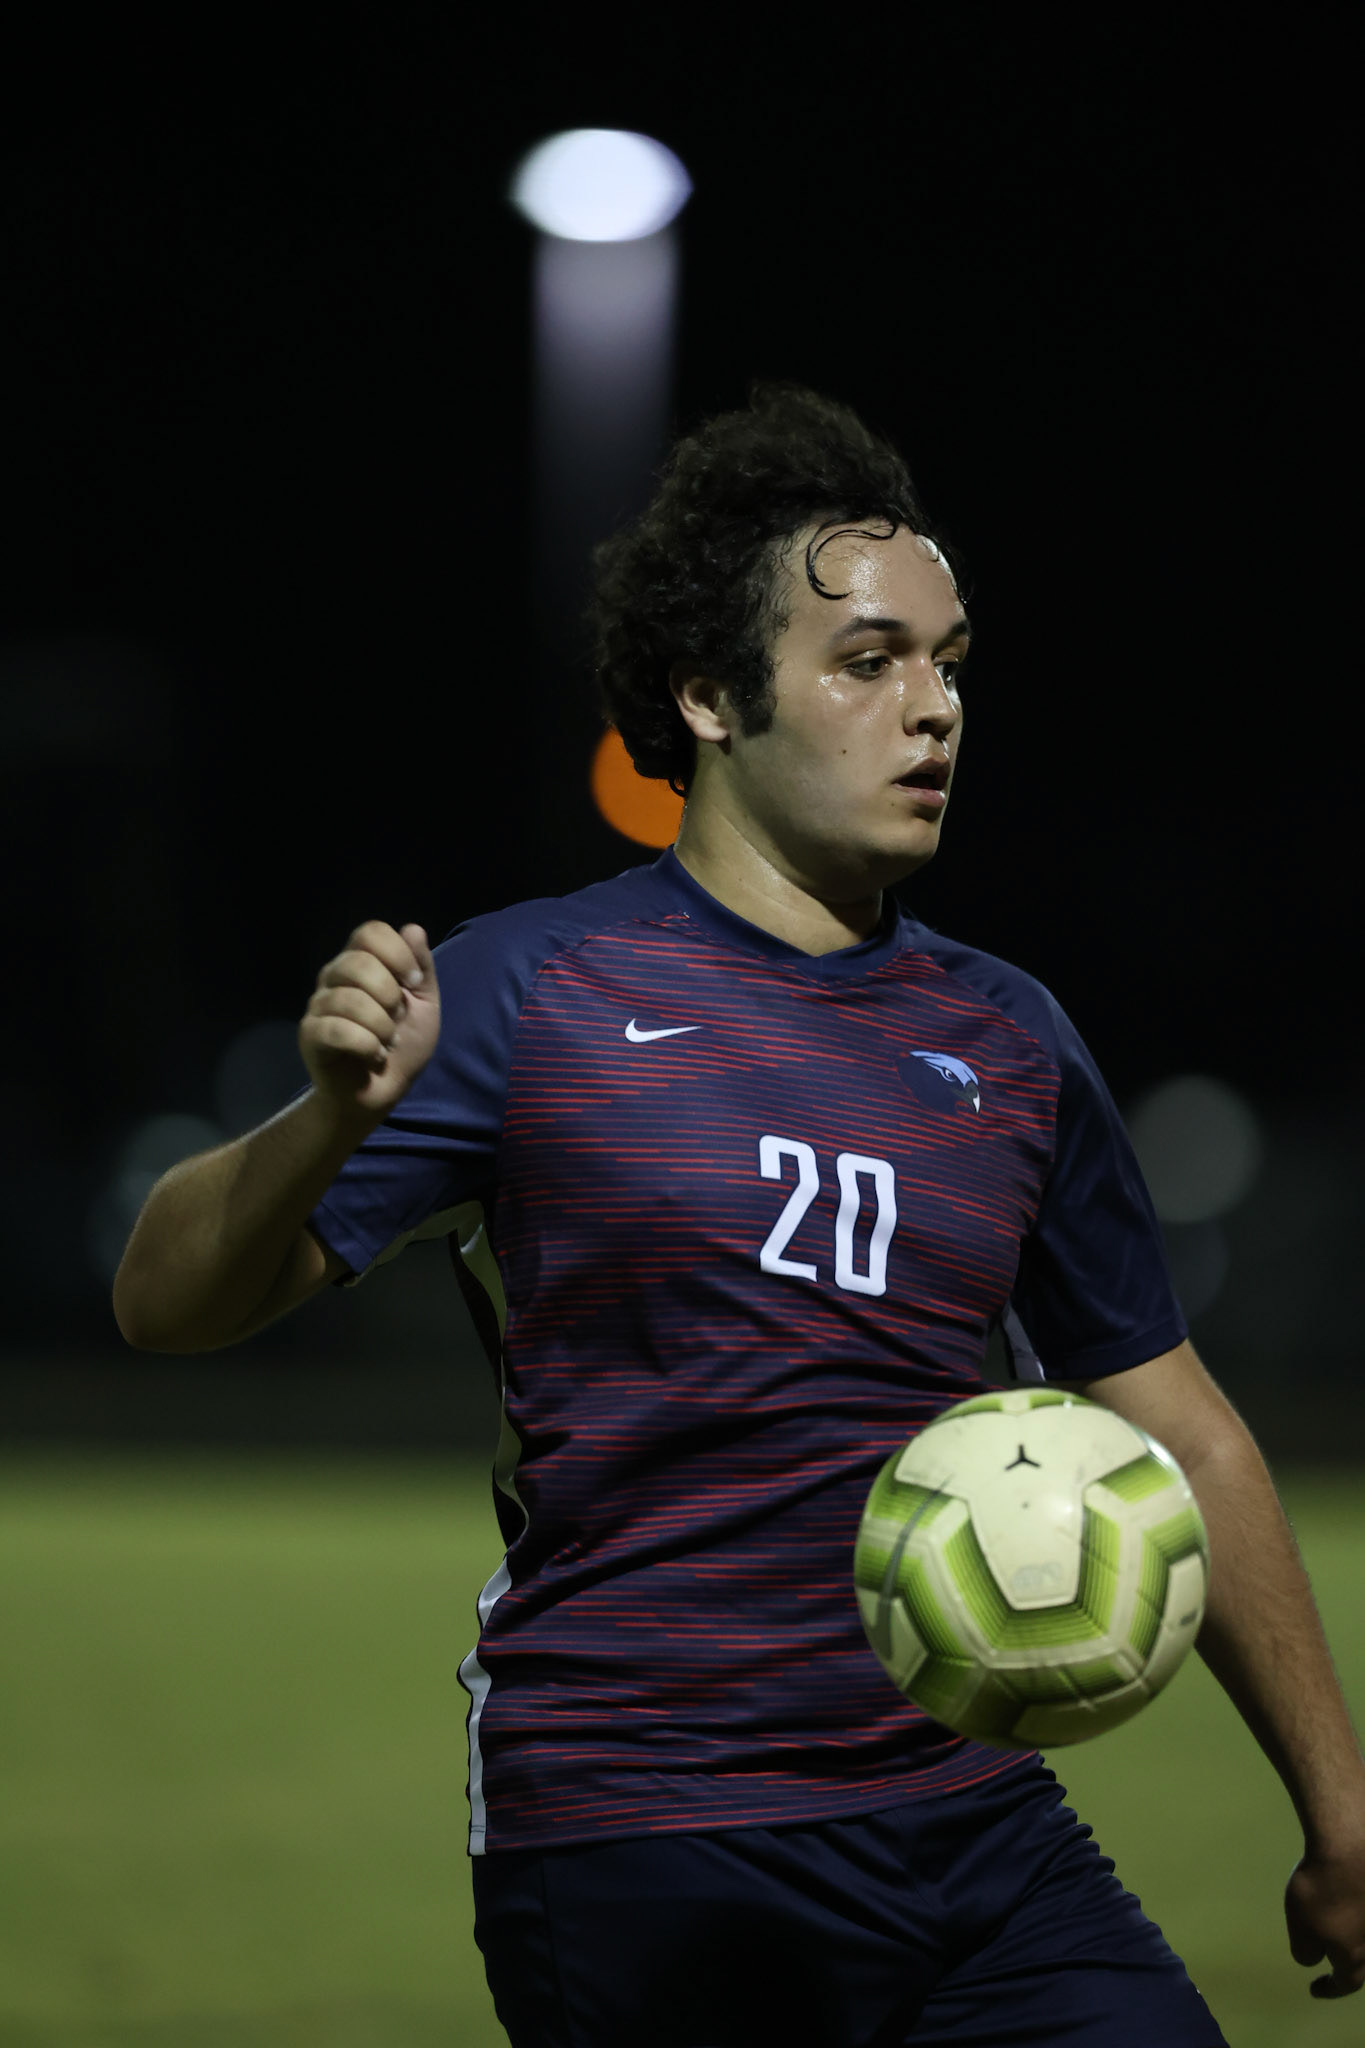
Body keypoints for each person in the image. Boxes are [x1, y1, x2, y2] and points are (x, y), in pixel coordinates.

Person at [114, 383, 1365, 2046]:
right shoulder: (530, 990)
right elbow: (165, 1301)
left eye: (947, 662)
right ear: (706, 694)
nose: (931, 711)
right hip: (643, 1830)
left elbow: (1186, 1437)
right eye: (867, 663)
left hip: (971, 1826)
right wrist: (332, 1109)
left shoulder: (1007, 1040)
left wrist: (1341, 1811)